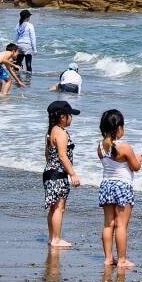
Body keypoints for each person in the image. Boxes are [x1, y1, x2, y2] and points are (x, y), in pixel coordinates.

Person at [97, 108, 142, 268]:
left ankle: (108, 258)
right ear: (118, 128)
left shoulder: (100, 147)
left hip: (106, 185)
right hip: (122, 186)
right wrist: (138, 158)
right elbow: (135, 167)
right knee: (121, 225)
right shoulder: (124, 147)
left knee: (108, 224)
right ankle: (122, 259)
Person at [43, 100, 80, 248]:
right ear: (63, 117)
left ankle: (52, 237)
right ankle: (56, 239)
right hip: (58, 174)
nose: (71, 118)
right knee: (59, 208)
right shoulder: (61, 133)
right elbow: (63, 156)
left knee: (53, 207)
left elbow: (48, 155)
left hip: (49, 173)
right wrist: (72, 174)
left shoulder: (51, 131)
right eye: (70, 115)